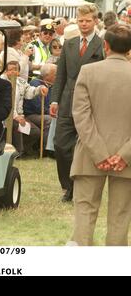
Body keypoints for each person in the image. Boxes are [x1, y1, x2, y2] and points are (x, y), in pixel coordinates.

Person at [70, 24, 131, 246]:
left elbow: (81, 117)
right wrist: (123, 154)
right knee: (120, 217)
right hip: (127, 160)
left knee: (84, 213)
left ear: (105, 46)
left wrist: (99, 153)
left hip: (89, 153)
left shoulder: (88, 71)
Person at [50, 5, 105, 202]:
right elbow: (60, 75)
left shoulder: (102, 45)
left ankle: (80, 188)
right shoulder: (69, 43)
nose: (83, 24)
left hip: (91, 104)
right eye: (80, 20)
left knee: (86, 149)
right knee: (60, 146)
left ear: (95, 21)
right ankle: (69, 186)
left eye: (87, 20)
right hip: (66, 102)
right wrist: (55, 99)